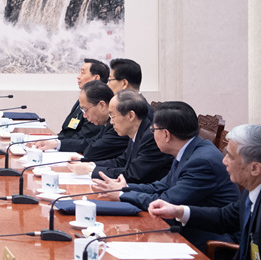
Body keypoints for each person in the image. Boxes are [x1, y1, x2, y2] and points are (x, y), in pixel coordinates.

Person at [92, 101, 238, 250]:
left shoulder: (201, 161)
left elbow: (166, 201)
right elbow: (160, 186)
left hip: (207, 240)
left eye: (153, 129)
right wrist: (124, 187)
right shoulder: (189, 150)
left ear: (166, 134)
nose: (152, 133)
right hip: (185, 229)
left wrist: (122, 195)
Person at [149, 125, 261, 260]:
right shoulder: (252, 189)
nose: (224, 161)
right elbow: (226, 217)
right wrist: (179, 211)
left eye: (230, 156)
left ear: (255, 168)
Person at [82, 90, 172, 184]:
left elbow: (133, 175)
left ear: (131, 115)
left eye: (113, 116)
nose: (111, 122)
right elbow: (121, 162)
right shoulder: (136, 132)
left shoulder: (151, 137)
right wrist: (91, 165)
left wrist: (92, 171)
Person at [35, 81, 128, 161]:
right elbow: (90, 142)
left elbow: (91, 152)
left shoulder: (117, 125)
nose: (84, 115)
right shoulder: (107, 123)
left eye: (85, 110)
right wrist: (56, 144)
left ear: (102, 105)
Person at [57, 59, 109, 140]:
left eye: (83, 73)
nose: (78, 77)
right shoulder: (83, 97)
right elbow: (68, 130)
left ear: (96, 78)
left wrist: (59, 144)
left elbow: (86, 135)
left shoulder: (97, 101)